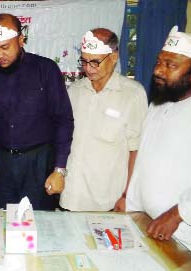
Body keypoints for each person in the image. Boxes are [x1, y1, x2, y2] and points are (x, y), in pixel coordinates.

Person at [0, 14, 74, 210]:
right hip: (3, 165)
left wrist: (59, 169)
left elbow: (63, 120)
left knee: (40, 225)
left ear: (21, 40)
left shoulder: (46, 70)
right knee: (5, 223)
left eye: (4, 47)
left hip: (39, 164)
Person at [59, 28, 148, 211]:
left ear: (114, 57)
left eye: (95, 62)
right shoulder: (74, 91)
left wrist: (126, 196)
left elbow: (136, 151)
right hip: (70, 198)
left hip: (106, 203)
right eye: (84, 61)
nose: (88, 68)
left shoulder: (132, 94)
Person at [125, 26, 191, 253]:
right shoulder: (158, 103)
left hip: (183, 232)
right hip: (148, 225)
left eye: (171, 65)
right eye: (158, 62)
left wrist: (178, 214)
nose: (158, 71)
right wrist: (130, 204)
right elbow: (144, 159)